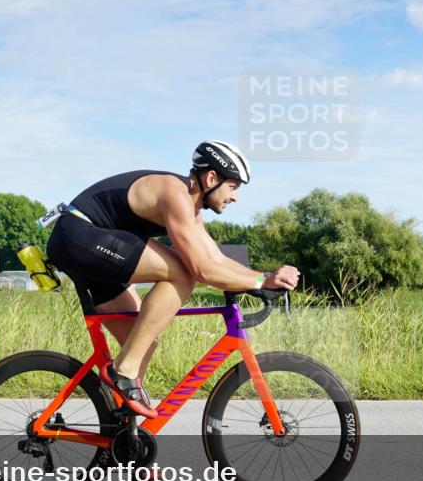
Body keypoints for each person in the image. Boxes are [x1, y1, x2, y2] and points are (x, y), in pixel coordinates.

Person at [46, 140, 300, 419]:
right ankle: (122, 373)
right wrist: (260, 283)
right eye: (233, 187)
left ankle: (123, 443)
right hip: (78, 235)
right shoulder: (174, 194)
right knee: (182, 273)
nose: (235, 197)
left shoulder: (191, 209)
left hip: (93, 244)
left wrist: (261, 279)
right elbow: (201, 269)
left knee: (141, 341)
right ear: (212, 178)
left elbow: (215, 259)